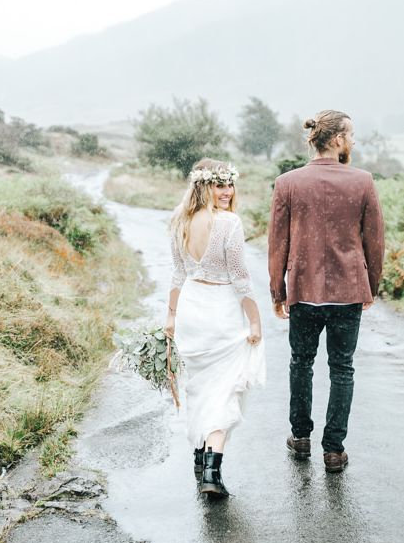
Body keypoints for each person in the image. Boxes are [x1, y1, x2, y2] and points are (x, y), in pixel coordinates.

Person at [268, 110, 385, 473]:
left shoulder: (287, 183)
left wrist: (278, 290)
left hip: (303, 290)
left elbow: (277, 243)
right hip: (348, 291)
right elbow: (375, 241)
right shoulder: (363, 181)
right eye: (350, 135)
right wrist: (373, 286)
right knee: (342, 369)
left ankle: (300, 437)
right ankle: (334, 450)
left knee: (301, 364)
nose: (353, 141)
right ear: (336, 140)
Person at [165, 158, 266, 499]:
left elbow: (179, 276)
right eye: (220, 184)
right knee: (224, 390)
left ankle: (199, 453)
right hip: (221, 311)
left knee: (201, 388)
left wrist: (171, 316)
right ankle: (212, 470)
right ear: (204, 186)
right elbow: (239, 277)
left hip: (192, 311)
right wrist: (254, 319)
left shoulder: (180, 221)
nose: (227, 191)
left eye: (230, 184)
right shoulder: (228, 223)